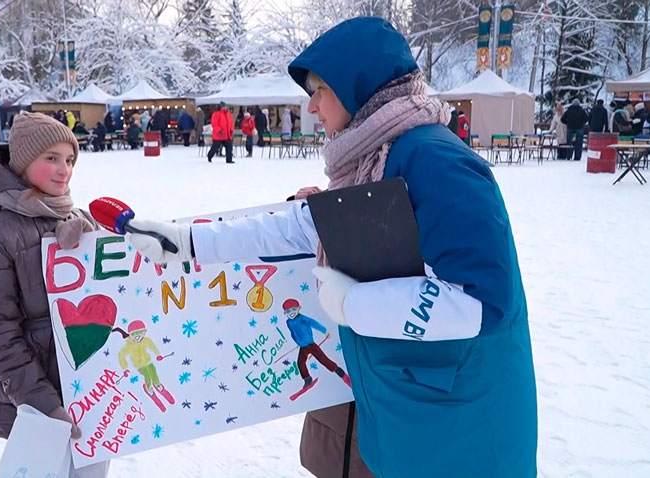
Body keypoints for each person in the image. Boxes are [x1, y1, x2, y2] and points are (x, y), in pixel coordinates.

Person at [122, 17, 537, 478]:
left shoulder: (435, 162)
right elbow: (298, 226)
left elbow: (480, 301)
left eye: (320, 90)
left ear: (356, 84)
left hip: (462, 429)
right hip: (411, 418)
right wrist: (189, 242)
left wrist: (354, 304)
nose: (313, 106)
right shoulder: (373, 157)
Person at [0, 111, 107, 478]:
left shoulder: (74, 215)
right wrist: (44, 405)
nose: (63, 169)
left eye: (69, 159)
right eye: (50, 158)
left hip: (93, 396)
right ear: (22, 164)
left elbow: (120, 293)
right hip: (38, 406)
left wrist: (90, 241)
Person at [283, 298, 351, 397]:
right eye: (288, 311)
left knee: (323, 360)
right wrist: (298, 342)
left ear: (299, 308)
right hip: (303, 347)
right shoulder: (288, 322)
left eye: (293, 309)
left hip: (311, 345)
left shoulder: (302, 318)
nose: (291, 313)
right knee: (300, 363)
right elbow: (293, 333)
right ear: (285, 313)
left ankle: (342, 374)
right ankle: (307, 379)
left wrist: (325, 331)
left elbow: (314, 323)